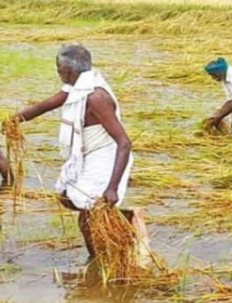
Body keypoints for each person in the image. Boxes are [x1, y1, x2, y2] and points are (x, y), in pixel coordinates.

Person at [7, 45, 150, 264]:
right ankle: (118, 230)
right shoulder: (76, 88)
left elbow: (124, 142)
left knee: (89, 215)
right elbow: (44, 106)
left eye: (59, 69)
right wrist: (13, 120)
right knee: (67, 197)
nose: (58, 73)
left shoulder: (96, 97)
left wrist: (112, 187)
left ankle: (99, 259)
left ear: (67, 71)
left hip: (106, 157)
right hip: (87, 155)